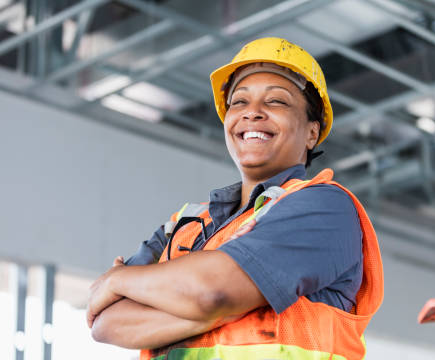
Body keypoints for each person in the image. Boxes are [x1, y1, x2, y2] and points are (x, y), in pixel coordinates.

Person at [86, 37, 384, 360]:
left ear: (312, 132)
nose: (252, 113)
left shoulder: (325, 209)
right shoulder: (183, 226)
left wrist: (119, 280)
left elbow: (212, 291)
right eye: (239, 102)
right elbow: (105, 322)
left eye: (276, 102)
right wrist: (216, 309)